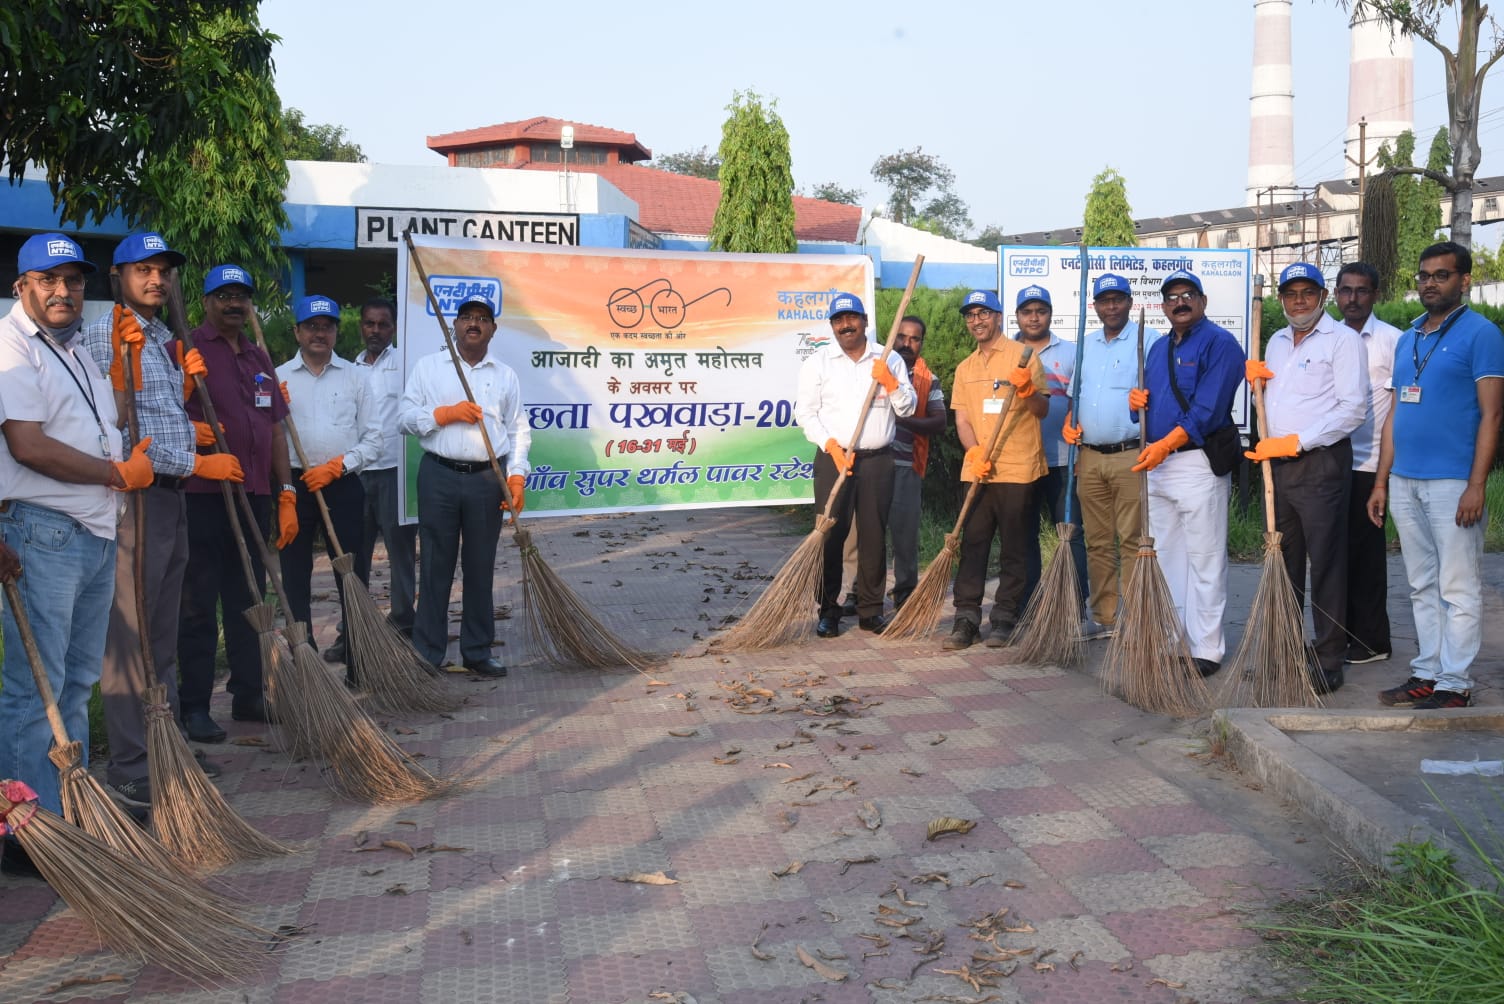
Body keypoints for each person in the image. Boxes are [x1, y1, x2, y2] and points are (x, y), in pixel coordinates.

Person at [79, 233, 244, 802]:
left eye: (164, 271)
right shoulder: (108, 335)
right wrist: (199, 458)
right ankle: (130, 761)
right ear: (117, 277)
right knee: (131, 636)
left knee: (162, 631)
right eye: (143, 270)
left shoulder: (161, 339)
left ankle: (164, 741)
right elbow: (118, 433)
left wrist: (180, 386)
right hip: (137, 500)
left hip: (173, 497)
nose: (156, 280)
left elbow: (161, 416)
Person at [0, 233, 146, 824]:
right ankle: (26, 825)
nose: (63, 292)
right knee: (35, 685)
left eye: (74, 281)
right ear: (22, 287)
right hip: (44, 531)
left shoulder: (75, 348)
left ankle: (66, 802)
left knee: (76, 678)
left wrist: (127, 367)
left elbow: (107, 425)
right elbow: (29, 446)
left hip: (91, 531)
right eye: (48, 281)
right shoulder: (12, 346)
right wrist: (117, 472)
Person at [1369, 240, 1504, 709]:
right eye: (1424, 275)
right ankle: (1427, 672)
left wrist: (1476, 485)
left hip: (1453, 484)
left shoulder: (1482, 334)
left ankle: (1455, 683)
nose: (1429, 283)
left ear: (1464, 280)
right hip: (1405, 480)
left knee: (1458, 585)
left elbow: (1492, 416)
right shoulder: (1408, 338)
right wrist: (1383, 480)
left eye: (1440, 275)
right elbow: (1393, 416)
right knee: (1421, 584)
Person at [176, 264, 296, 742]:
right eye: (223, 295)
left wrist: (286, 492)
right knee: (199, 604)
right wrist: (192, 435)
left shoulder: (258, 358)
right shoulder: (183, 351)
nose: (233, 303)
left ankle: (248, 695)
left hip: (256, 494)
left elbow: (274, 428)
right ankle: (195, 706)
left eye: (241, 296)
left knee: (249, 598)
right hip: (204, 495)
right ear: (206, 302)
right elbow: (154, 418)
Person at [1245, 263, 1368, 694]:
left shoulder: (1344, 341)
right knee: (1283, 560)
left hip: (1320, 465)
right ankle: (1284, 649)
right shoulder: (1276, 342)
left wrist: (1297, 442)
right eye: (1291, 293)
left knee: (1327, 563)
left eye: (1307, 292)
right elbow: (1273, 403)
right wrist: (1253, 387)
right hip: (1276, 467)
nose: (1299, 300)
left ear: (1322, 296)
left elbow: (1353, 410)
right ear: (1281, 298)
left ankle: (1329, 657)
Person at [398, 290, 529, 676]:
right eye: (466, 317)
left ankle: (476, 650)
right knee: (436, 567)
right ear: (454, 325)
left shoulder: (505, 376)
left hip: (486, 479)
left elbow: (518, 429)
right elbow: (404, 418)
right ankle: (428, 651)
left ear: (493, 329)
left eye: (482, 318)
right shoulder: (429, 367)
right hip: (438, 475)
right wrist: (442, 414)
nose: (474, 323)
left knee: (480, 567)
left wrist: (517, 474)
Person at [1129, 270, 1246, 676]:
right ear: (1163, 306)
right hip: (1158, 465)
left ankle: (1206, 649)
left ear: (1203, 301)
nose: (1180, 302)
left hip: (1196, 462)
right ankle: (1170, 640)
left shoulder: (1221, 344)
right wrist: (1135, 403)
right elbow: (1145, 409)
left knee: (1205, 558)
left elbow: (1208, 410)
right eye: (1172, 297)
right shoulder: (1157, 347)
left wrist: (1164, 445)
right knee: (1167, 558)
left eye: (1188, 295)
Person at [795, 292, 915, 638]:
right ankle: (828, 610)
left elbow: (907, 408)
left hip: (878, 460)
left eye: (851, 318)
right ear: (832, 326)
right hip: (835, 459)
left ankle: (870, 610)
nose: (845, 325)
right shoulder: (818, 363)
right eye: (838, 320)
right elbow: (806, 413)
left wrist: (891, 384)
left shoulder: (888, 358)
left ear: (864, 320)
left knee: (874, 536)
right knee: (830, 533)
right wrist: (830, 446)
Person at [276, 295, 382, 680]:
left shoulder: (356, 377)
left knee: (351, 574)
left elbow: (373, 439)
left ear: (337, 331)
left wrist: (339, 466)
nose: (320, 333)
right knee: (294, 575)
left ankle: (360, 661)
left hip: (342, 485)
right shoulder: (276, 378)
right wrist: (269, 406)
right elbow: (264, 435)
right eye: (312, 326)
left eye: (327, 326)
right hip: (294, 487)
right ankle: (306, 665)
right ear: (298, 331)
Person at [943, 289, 1049, 650]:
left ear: (999, 317)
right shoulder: (965, 368)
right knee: (972, 544)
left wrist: (1027, 390)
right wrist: (974, 453)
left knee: (1015, 547)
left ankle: (1004, 618)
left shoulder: (1024, 357)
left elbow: (1042, 410)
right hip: (979, 470)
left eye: (983, 313)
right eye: (970, 315)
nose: (977, 321)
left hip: (1017, 467)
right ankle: (966, 619)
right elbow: (962, 418)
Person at [1062, 273, 1161, 639]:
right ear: (1096, 306)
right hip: (1088, 457)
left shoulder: (1147, 340)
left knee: (1133, 538)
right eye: (1105, 300)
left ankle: (1137, 618)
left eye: (1118, 299)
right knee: (1097, 541)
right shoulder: (1084, 346)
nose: (1112, 306)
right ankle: (1105, 617)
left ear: (1130, 302)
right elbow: (1077, 398)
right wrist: (1070, 423)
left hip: (1129, 454)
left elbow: (1160, 393)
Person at [1334, 262, 1401, 666]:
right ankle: (1338, 637)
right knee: (1334, 555)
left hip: (1371, 463)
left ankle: (1374, 641)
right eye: (1346, 290)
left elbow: (1397, 408)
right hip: (1331, 461)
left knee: (1366, 556)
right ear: (1337, 294)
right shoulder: (1327, 338)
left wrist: (1384, 475)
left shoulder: (1393, 341)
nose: (1353, 299)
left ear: (1374, 295)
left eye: (1362, 291)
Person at [1014, 284, 1087, 646]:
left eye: (1040, 310)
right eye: (1027, 311)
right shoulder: (1006, 353)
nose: (1034, 317)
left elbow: (1082, 401)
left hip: (1062, 459)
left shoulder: (1071, 353)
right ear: (1017, 317)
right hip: (1021, 461)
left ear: (1050, 314)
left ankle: (1073, 605)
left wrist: (1082, 451)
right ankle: (1026, 604)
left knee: (1070, 534)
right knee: (1023, 536)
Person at [352, 298, 418, 644]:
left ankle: (404, 623)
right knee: (354, 556)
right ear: (361, 326)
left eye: (382, 324)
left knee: (401, 552)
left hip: (396, 471)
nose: (375, 330)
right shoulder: (350, 368)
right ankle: (354, 630)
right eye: (369, 323)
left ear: (393, 328)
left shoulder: (407, 365)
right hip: (358, 473)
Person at [888, 316, 947, 609]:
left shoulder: (926, 378)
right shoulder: (875, 369)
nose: (906, 344)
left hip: (907, 465)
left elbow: (939, 421)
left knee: (904, 533)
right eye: (901, 337)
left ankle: (904, 593)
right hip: (870, 463)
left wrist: (904, 420)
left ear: (921, 342)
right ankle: (858, 593)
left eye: (914, 338)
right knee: (862, 533)